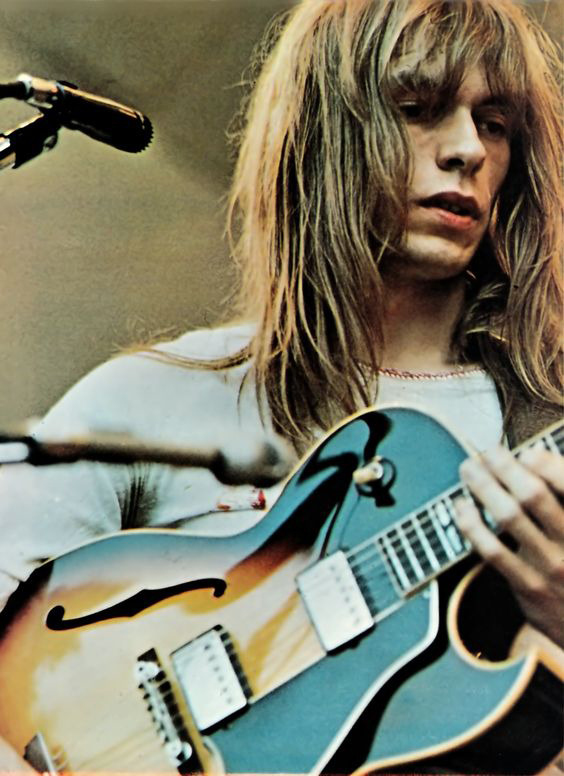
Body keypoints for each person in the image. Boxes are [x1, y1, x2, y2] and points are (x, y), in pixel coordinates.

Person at [0, 0, 562, 772]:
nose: (467, 149)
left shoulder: (539, 434)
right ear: (327, 134)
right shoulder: (153, 397)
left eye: (494, 124)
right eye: (418, 109)